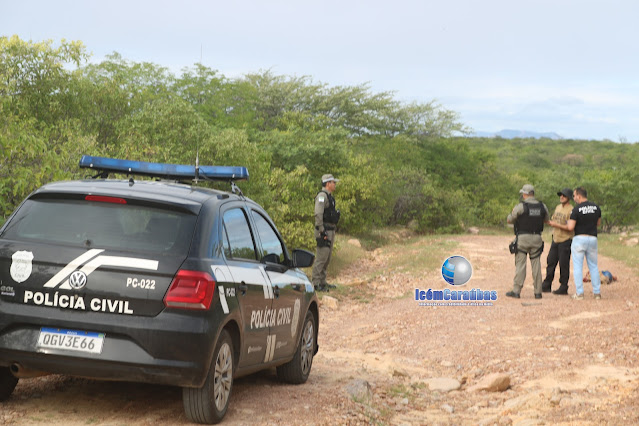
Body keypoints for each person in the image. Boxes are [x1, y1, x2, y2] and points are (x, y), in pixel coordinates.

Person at [549, 187, 602, 300]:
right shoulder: (596, 207)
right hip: (592, 238)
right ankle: (597, 293)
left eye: (574, 196)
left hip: (580, 239)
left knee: (578, 267)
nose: (574, 198)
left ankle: (579, 293)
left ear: (578, 195)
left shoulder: (576, 209)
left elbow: (571, 227)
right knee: (593, 266)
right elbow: (598, 223)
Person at [505, 184, 550, 299]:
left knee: (520, 264)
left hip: (523, 238)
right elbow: (546, 220)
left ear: (525, 194)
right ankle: (538, 292)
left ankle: (516, 291)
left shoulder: (521, 206)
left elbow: (510, 220)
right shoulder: (542, 206)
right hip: (537, 238)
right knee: (536, 265)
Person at [541, 188, 574, 295]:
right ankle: (547, 284)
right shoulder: (558, 207)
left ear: (568, 197)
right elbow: (554, 220)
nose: (561, 197)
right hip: (555, 238)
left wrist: (556, 225)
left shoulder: (571, 210)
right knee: (550, 261)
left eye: (564, 195)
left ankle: (563, 286)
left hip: (565, 240)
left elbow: (570, 227)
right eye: (560, 195)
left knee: (563, 264)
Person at [312, 174, 340, 292]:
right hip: (323, 231)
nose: (335, 184)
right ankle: (316, 283)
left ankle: (323, 282)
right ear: (328, 183)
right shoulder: (322, 196)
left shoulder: (329, 197)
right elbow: (318, 214)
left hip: (330, 230)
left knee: (327, 257)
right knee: (321, 257)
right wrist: (321, 230)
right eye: (333, 182)